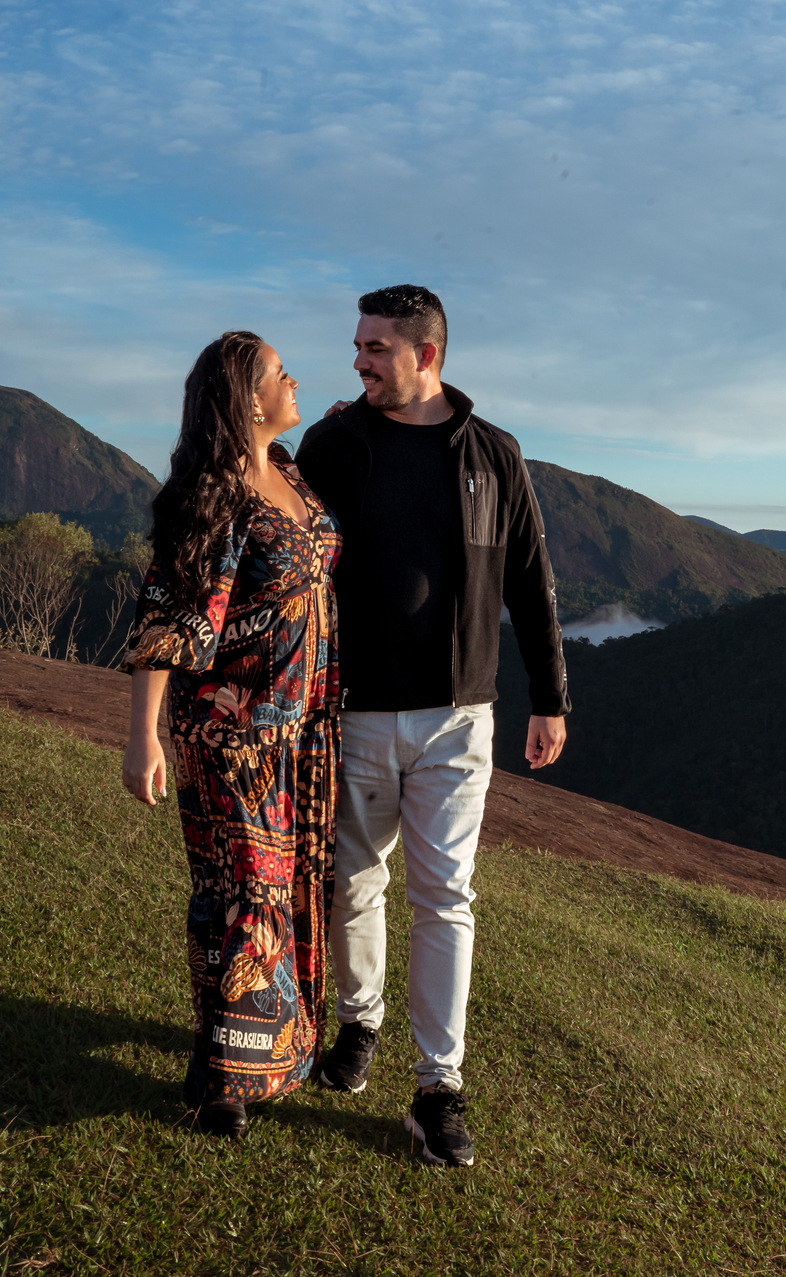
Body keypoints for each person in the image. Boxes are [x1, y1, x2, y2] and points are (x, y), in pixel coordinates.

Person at [294, 284, 569, 1168]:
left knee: (446, 897)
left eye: (376, 346)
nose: (360, 359)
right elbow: (287, 551)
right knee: (351, 884)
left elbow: (531, 579)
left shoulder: (494, 454)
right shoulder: (333, 444)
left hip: (460, 717)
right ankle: (357, 1025)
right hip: (356, 712)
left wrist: (551, 696)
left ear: (429, 355)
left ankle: (438, 1088)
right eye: (358, 344)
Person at [121, 330, 342, 1141]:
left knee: (281, 892)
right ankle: (226, 1080)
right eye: (282, 374)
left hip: (303, 735)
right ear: (249, 399)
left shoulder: (288, 475)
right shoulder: (213, 495)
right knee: (249, 896)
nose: (295, 382)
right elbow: (169, 614)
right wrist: (141, 735)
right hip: (230, 733)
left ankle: (233, 1055)